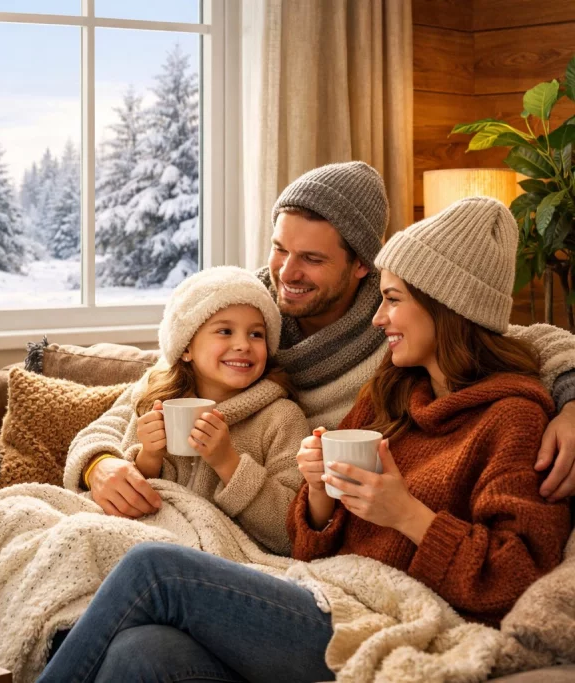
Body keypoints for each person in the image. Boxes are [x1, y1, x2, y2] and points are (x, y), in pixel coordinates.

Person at [38, 197, 572, 683]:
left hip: (386, 617)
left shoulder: (514, 420)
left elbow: (517, 577)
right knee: (142, 652)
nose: (379, 317)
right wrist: (318, 496)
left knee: (152, 568)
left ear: (445, 308)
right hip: (323, 591)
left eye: (392, 299)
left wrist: (406, 514)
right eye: (280, 250)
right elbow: (310, 543)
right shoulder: (386, 389)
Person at [67, 162, 575, 522]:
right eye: (279, 248)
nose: (286, 272)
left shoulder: (396, 327)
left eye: (311, 258)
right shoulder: (242, 310)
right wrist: (100, 465)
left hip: (293, 508)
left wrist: (572, 402)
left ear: (360, 266)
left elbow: (524, 341)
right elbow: (137, 401)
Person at [70, 266, 309, 554]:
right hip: (140, 536)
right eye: (225, 331)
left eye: (256, 334)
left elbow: (291, 531)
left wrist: (227, 463)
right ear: (186, 347)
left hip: (219, 558)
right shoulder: (155, 396)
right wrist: (147, 457)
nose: (243, 345)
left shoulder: (281, 418)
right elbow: (126, 486)